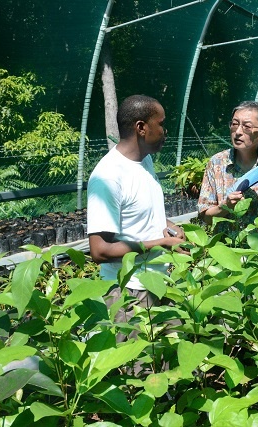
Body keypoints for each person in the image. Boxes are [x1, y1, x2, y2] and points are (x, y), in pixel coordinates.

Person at [87, 94, 185, 329]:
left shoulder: (144, 161)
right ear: (141, 127)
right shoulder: (108, 176)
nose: (165, 130)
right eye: (160, 124)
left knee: (172, 356)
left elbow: (138, 213)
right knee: (139, 364)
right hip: (129, 292)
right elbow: (99, 251)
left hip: (156, 280)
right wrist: (160, 244)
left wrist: (170, 226)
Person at [198, 101, 258, 232]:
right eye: (234, 124)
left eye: (246, 126)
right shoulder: (217, 163)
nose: (238, 132)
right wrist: (225, 207)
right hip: (227, 248)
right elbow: (205, 216)